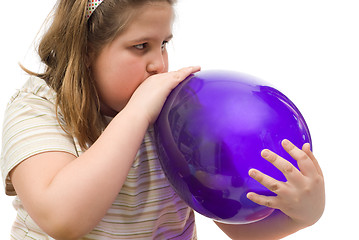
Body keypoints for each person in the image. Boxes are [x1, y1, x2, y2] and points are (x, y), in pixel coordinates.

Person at [0, 0, 325, 239]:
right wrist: (137, 114)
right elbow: (62, 220)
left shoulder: (179, 115)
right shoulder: (36, 109)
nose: (158, 64)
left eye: (164, 44)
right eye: (141, 46)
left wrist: (303, 215)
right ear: (85, 51)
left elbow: (234, 223)